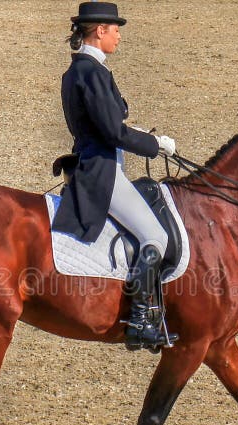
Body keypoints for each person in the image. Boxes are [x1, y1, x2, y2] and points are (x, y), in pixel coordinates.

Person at [51, 2, 177, 351]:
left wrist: (138, 133)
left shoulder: (81, 71)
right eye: (115, 29)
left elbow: (108, 125)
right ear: (100, 31)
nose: (119, 36)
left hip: (97, 161)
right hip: (102, 171)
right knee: (156, 236)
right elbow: (112, 132)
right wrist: (154, 144)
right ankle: (140, 320)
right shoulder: (92, 73)